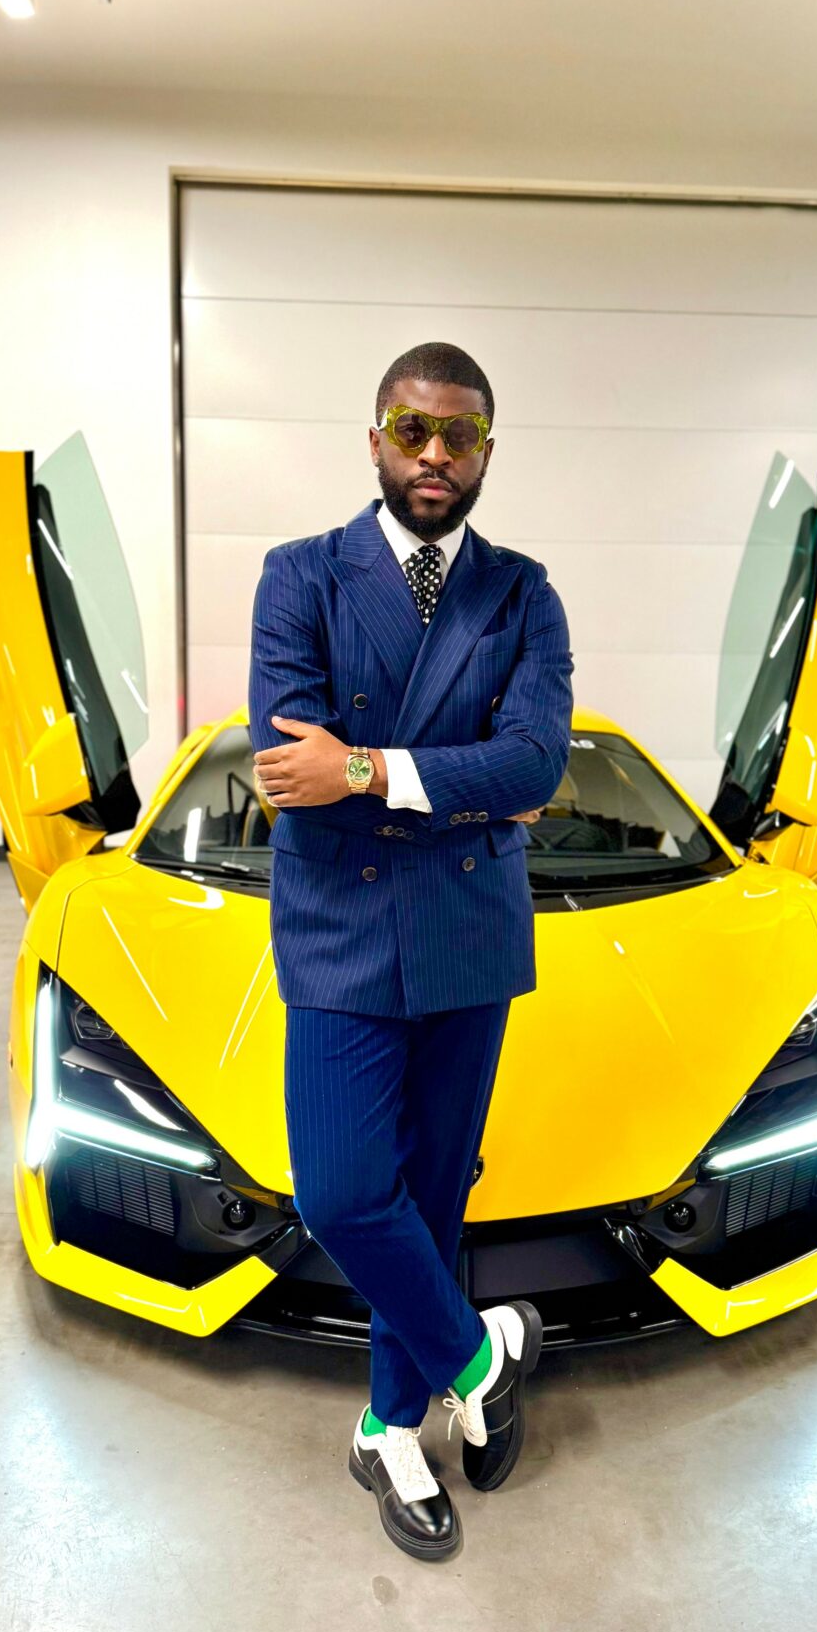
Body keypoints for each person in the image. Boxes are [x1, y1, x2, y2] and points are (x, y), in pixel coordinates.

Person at [247, 341, 574, 1561]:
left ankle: (389, 1426)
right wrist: (470, 787)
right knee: (340, 1190)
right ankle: (482, 1354)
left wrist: (371, 765)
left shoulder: (525, 591)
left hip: (469, 938)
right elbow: (288, 766)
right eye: (412, 428)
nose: (436, 453)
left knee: (434, 1197)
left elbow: (540, 762)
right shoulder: (300, 576)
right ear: (374, 436)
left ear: (488, 447)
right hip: (338, 925)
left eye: (462, 433)